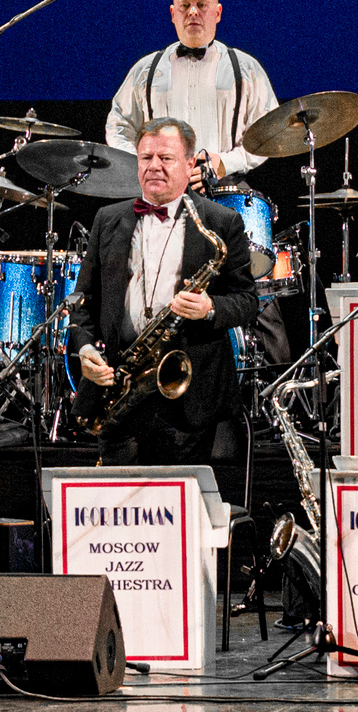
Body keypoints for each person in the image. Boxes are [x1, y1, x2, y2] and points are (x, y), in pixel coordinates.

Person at [68, 119, 261, 466]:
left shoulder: (222, 221)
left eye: (166, 158)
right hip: (120, 388)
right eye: (146, 158)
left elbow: (247, 301)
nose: (154, 166)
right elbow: (83, 301)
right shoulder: (107, 219)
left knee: (177, 510)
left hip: (186, 398)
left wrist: (210, 307)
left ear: (190, 165)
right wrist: (83, 349)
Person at [105, 0, 281, 183]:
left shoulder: (246, 69)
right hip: (161, 190)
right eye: (185, 6)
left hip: (227, 190)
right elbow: (118, 126)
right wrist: (148, 162)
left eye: (202, 5)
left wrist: (227, 162)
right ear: (173, 14)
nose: (193, 12)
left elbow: (269, 133)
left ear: (217, 13)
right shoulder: (145, 70)